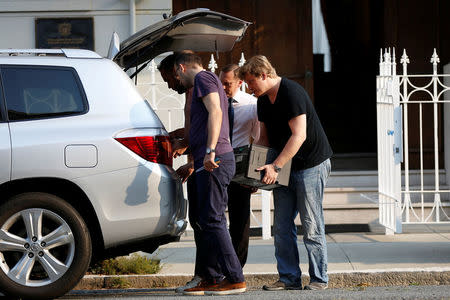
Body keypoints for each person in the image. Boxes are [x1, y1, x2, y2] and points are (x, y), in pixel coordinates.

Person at [238, 55, 332, 291]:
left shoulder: (292, 92)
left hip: (311, 163)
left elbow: (298, 136)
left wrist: (276, 166)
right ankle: (289, 278)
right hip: (284, 164)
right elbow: (263, 139)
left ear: (263, 74)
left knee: (311, 223)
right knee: (281, 225)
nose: (249, 88)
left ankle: (319, 279)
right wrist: (254, 174)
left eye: (251, 82)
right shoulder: (262, 100)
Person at [174, 52, 246, 295]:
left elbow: (215, 112)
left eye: (175, 75)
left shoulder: (204, 79)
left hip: (215, 159)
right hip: (211, 158)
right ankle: (213, 278)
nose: (177, 81)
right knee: (207, 220)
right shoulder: (207, 81)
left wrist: (210, 151)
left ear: (181, 68)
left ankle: (235, 278)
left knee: (214, 219)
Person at [158, 53, 202, 292]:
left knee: (207, 223)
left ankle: (209, 275)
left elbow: (207, 127)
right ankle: (204, 274)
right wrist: (177, 137)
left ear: (180, 69)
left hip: (205, 165)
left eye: (168, 78)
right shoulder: (190, 91)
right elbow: (192, 129)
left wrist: (193, 160)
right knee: (198, 222)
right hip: (196, 164)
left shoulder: (201, 88)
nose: (168, 85)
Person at [218, 64, 259, 267]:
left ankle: (237, 267)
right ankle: (218, 265)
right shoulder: (214, 102)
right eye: (221, 83)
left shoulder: (252, 105)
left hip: (239, 163)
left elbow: (259, 141)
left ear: (240, 83)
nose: (223, 87)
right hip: (216, 163)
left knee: (240, 219)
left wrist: (253, 176)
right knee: (215, 218)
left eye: (228, 84)